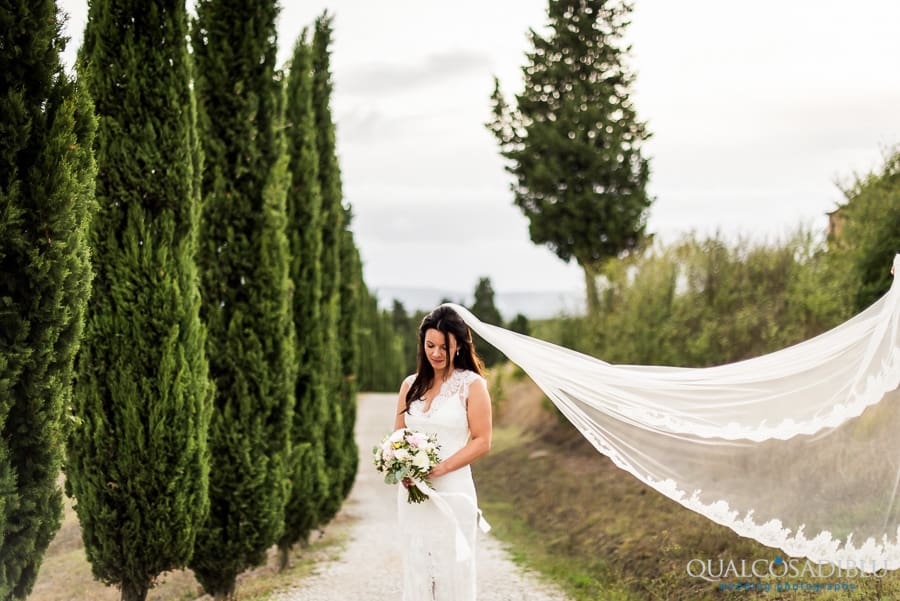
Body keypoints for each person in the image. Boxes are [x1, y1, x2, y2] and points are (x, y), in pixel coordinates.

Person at [393, 305, 493, 601]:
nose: (436, 353)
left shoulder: (472, 385)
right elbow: (398, 435)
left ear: (459, 346)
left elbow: (482, 440)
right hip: (414, 496)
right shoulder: (410, 385)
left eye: (444, 347)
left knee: (452, 572)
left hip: (453, 490)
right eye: (430, 346)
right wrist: (401, 468)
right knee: (418, 568)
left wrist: (442, 468)